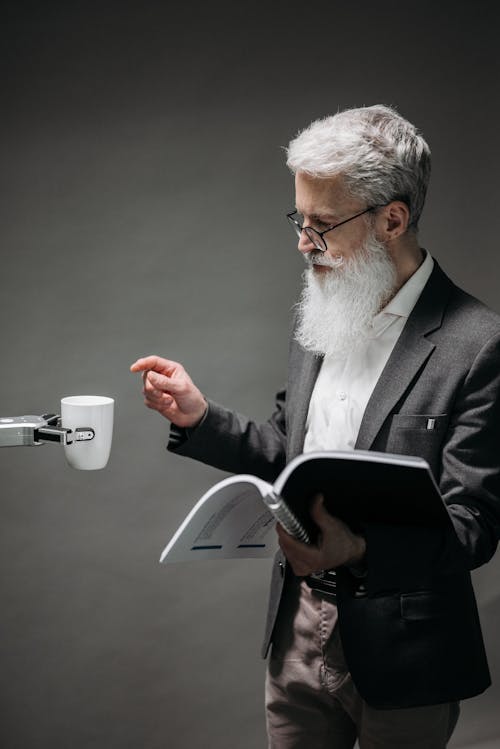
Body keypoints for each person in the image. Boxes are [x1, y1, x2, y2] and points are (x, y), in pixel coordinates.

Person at [130, 105, 500, 748]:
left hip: (409, 650)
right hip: (295, 630)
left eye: (323, 224)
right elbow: (293, 457)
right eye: (299, 220)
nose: (304, 242)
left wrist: (356, 550)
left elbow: (473, 528)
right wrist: (199, 416)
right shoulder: (328, 304)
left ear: (393, 219)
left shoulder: (480, 343)